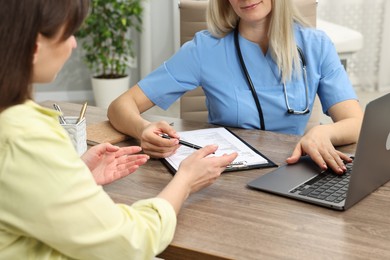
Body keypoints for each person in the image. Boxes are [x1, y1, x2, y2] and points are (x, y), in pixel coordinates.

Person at [0, 0, 238, 259]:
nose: (74, 44)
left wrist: (74, 177)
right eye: (68, 34)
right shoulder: (26, 138)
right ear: (35, 47)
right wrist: (186, 181)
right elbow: (130, 243)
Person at [108, 0, 364, 174]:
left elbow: (356, 122)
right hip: (227, 175)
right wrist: (143, 129)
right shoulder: (204, 50)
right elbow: (120, 106)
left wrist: (323, 134)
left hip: (294, 169)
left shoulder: (316, 45)